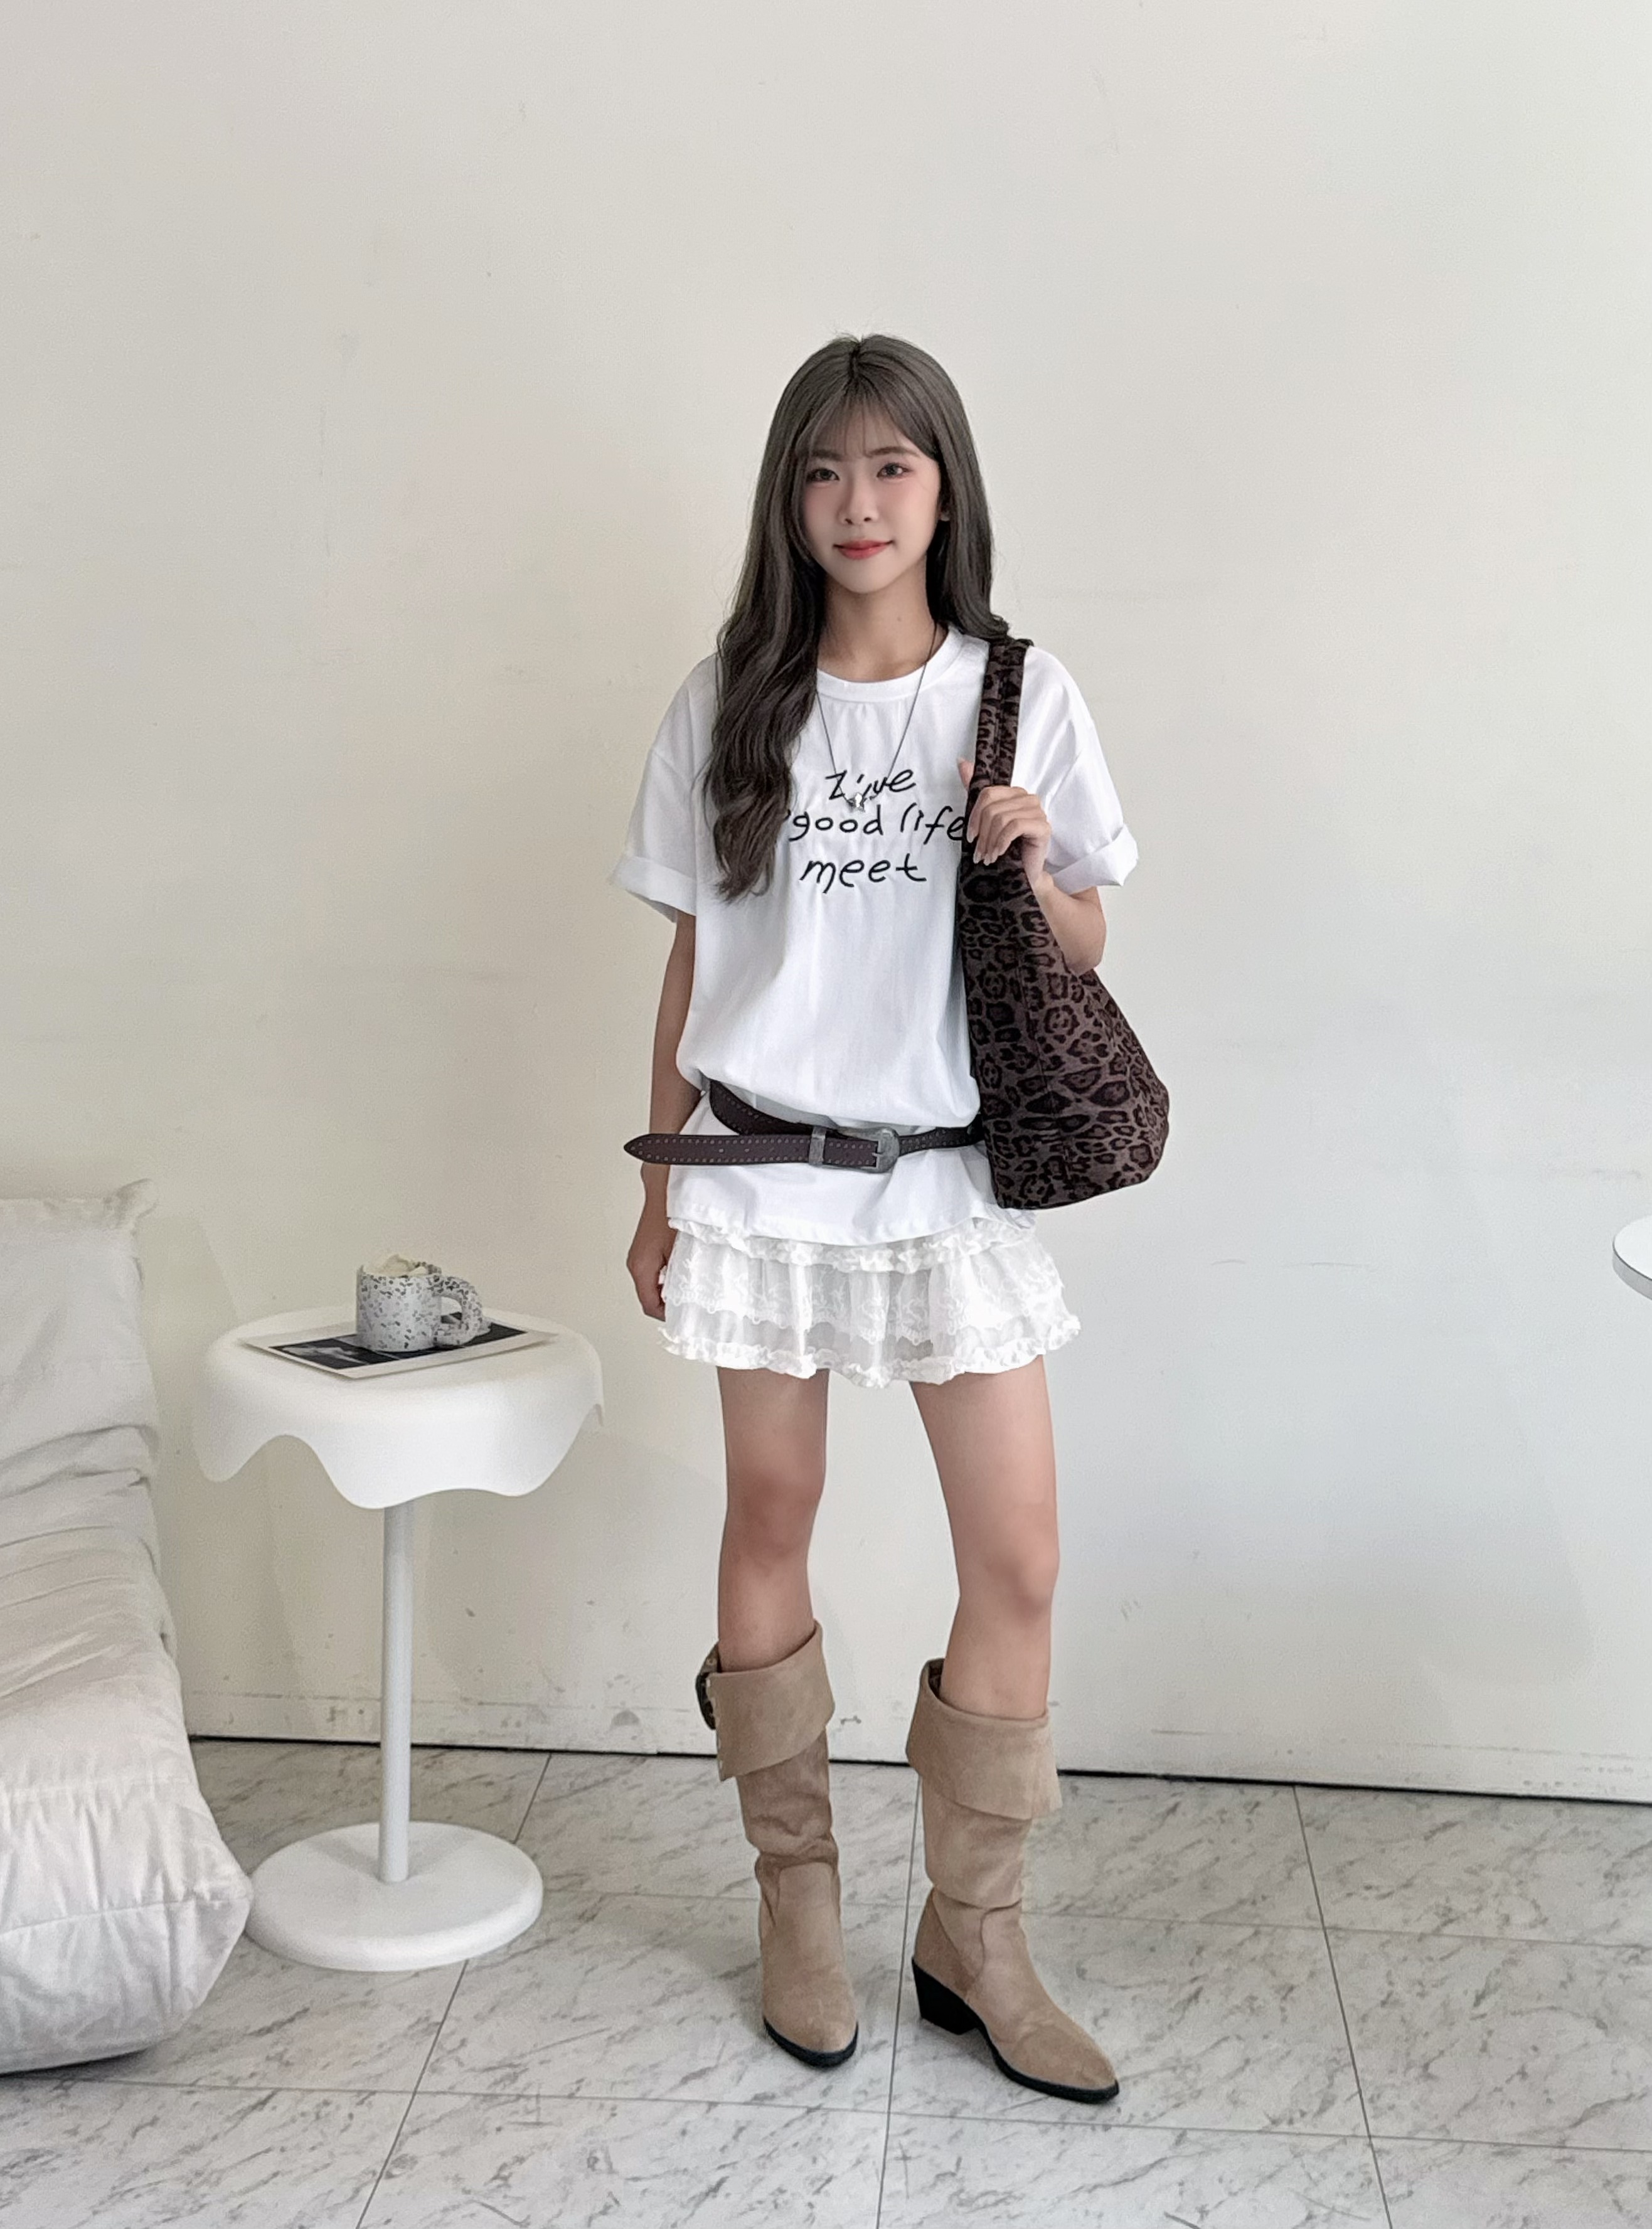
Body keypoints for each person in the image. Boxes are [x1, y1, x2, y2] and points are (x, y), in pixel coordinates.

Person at [608, 332, 1138, 2106]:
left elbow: (1083, 949)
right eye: (824, 469)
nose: (858, 502)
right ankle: (799, 1903)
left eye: (891, 466)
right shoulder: (729, 701)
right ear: (789, 497)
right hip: (761, 1178)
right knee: (772, 1512)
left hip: (945, 1180)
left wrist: (1033, 853)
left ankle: (975, 1934)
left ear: (944, 489)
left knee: (1020, 1557)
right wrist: (656, 1180)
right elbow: (693, 960)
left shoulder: (1016, 694)